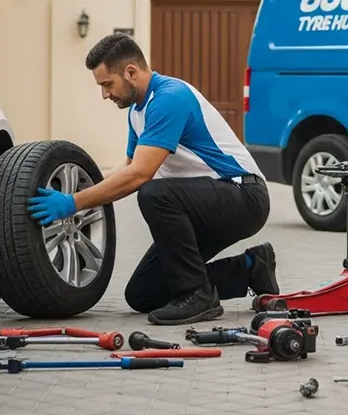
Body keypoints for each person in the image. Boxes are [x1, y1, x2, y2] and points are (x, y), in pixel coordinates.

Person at [25, 33, 279, 325]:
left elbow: (139, 175)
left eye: (107, 84)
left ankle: (198, 296)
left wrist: (72, 203)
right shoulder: (137, 111)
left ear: (131, 72)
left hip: (243, 195)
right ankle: (252, 267)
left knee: (153, 193)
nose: (105, 95)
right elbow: (128, 167)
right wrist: (82, 195)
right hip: (200, 205)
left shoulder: (169, 98)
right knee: (144, 293)